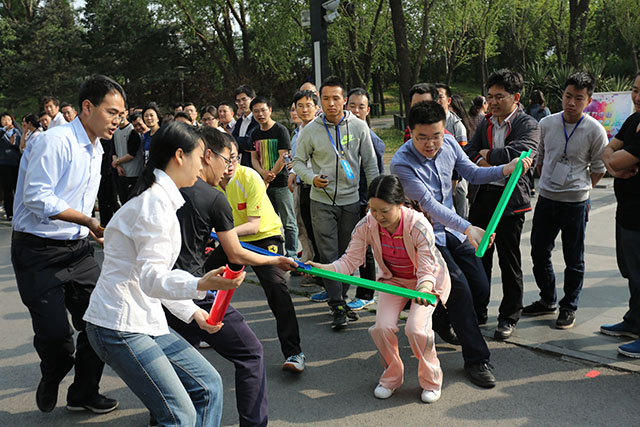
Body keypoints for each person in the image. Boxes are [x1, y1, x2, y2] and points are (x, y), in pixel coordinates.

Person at [83, 121, 243, 425]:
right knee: (179, 415)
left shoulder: (163, 202)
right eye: (200, 156)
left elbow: (156, 277)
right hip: (119, 325)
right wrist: (199, 283)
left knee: (209, 386)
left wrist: (195, 314)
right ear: (180, 156)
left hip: (144, 318)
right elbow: (152, 278)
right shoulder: (154, 205)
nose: (203, 164)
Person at [391, 100, 533, 388]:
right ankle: (476, 359)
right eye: (422, 138)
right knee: (461, 293)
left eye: (436, 136)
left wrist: (506, 168)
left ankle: (442, 318)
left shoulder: (450, 144)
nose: (431, 144)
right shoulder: (401, 163)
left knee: (480, 289)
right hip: (426, 236)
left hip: (454, 231)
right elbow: (429, 205)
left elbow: (472, 173)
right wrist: (469, 228)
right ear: (410, 132)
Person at [164, 127, 297, 426]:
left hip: (161, 291)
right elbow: (235, 254)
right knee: (250, 354)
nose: (228, 169)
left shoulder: (162, 189)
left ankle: (165, 417)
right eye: (227, 160)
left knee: (180, 360)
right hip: (191, 291)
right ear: (207, 155)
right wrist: (276, 259)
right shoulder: (212, 197)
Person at [11, 75, 125, 414]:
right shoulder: (54, 141)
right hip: (37, 251)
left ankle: (83, 392)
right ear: (87, 107)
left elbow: (77, 198)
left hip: (78, 251)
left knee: (99, 323)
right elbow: (37, 197)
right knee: (56, 340)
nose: (117, 121)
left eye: (121, 114)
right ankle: (53, 373)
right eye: (112, 112)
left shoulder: (98, 147)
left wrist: (92, 229)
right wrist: (87, 220)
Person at [310, 174, 450, 402]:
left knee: (416, 329)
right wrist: (321, 268)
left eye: (384, 210)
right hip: (393, 281)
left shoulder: (418, 224)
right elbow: (348, 262)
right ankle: (392, 376)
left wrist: (424, 289)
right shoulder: (367, 223)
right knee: (381, 328)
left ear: (400, 204)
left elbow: (427, 268)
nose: (378, 216)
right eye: (373, 209)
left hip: (425, 283)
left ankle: (432, 380)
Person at [209, 136, 306, 371]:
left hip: (264, 237)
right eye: (224, 158)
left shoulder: (249, 176)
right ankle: (207, 327)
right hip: (231, 238)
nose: (230, 164)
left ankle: (294, 353)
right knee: (201, 275)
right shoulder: (209, 181)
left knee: (276, 288)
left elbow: (253, 225)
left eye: (233, 157)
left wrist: (219, 233)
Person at [292, 75, 379, 329]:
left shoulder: (359, 127)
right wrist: (310, 177)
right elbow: (297, 162)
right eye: (326, 98)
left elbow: (371, 164)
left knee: (346, 254)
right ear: (320, 99)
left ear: (345, 101)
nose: (331, 103)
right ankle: (337, 304)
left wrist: (374, 198)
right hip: (321, 202)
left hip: (351, 202)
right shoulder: (311, 130)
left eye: (336, 98)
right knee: (329, 253)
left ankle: (341, 298)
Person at [523, 71, 607, 329]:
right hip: (547, 199)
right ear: (562, 95)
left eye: (578, 98)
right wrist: (549, 181)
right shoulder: (547, 124)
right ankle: (547, 299)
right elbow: (540, 159)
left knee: (574, 257)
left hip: (576, 203)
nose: (571, 102)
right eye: (568, 96)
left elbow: (599, 168)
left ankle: (568, 306)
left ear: (588, 100)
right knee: (538, 250)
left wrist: (579, 189)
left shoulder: (595, 130)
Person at [465, 68, 540, 340]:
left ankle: (509, 316)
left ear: (515, 97)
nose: (493, 102)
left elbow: (519, 155)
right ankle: (478, 308)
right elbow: (469, 152)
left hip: (510, 202)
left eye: (499, 97)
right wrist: (492, 161)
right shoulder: (485, 123)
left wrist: (488, 157)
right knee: (479, 256)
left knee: (509, 261)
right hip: (482, 197)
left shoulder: (527, 124)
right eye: (490, 96)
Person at [600, 71, 640, 358]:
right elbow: (608, 151)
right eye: (635, 90)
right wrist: (616, 167)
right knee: (631, 273)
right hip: (626, 212)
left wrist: (614, 163)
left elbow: (614, 156)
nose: (637, 98)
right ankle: (633, 322)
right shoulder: (634, 120)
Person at [345, 87, 386, 311]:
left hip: (365, 200)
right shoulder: (345, 133)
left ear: (368, 110)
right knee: (349, 246)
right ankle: (339, 289)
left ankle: (366, 293)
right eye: (352, 105)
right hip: (346, 198)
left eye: (362, 106)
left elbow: (376, 174)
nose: (357, 110)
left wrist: (374, 202)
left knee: (364, 249)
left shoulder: (373, 139)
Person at [249, 96, 299, 259]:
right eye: (256, 111)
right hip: (262, 183)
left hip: (281, 183)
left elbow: (284, 156)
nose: (260, 114)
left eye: (263, 110)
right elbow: (254, 158)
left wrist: (271, 175)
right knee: (267, 221)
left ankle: (291, 255)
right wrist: (263, 174)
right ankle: (271, 253)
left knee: (289, 222)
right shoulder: (254, 133)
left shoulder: (280, 130)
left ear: (270, 110)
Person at [289, 90, 322, 287]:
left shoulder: (320, 128)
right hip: (302, 186)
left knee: (319, 231)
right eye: (299, 106)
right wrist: (293, 171)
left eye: (308, 105)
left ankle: (321, 273)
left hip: (317, 186)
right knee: (307, 229)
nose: (303, 109)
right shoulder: (299, 131)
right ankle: (312, 269)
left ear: (316, 108)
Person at [111, 111, 144, 203]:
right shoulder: (116, 131)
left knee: (133, 202)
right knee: (123, 200)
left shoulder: (133, 130)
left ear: (126, 113)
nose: (119, 117)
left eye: (121, 113)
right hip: (121, 173)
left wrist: (116, 162)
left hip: (134, 173)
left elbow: (131, 154)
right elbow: (114, 151)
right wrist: (117, 166)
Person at [0, 112, 22, 219]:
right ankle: (9, 212)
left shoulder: (17, 132)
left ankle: (19, 211)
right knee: (7, 189)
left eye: (8, 119)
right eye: (3, 120)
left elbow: (22, 145)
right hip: (4, 163)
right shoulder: (1, 132)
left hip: (16, 162)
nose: (6, 122)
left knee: (17, 187)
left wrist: (14, 143)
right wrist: (4, 129)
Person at [232, 85, 259, 167]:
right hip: (240, 165)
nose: (241, 103)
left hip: (255, 167)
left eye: (244, 99)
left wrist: (236, 140)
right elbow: (232, 142)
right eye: (238, 101)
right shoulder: (239, 122)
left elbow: (249, 143)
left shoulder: (258, 120)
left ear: (252, 99)